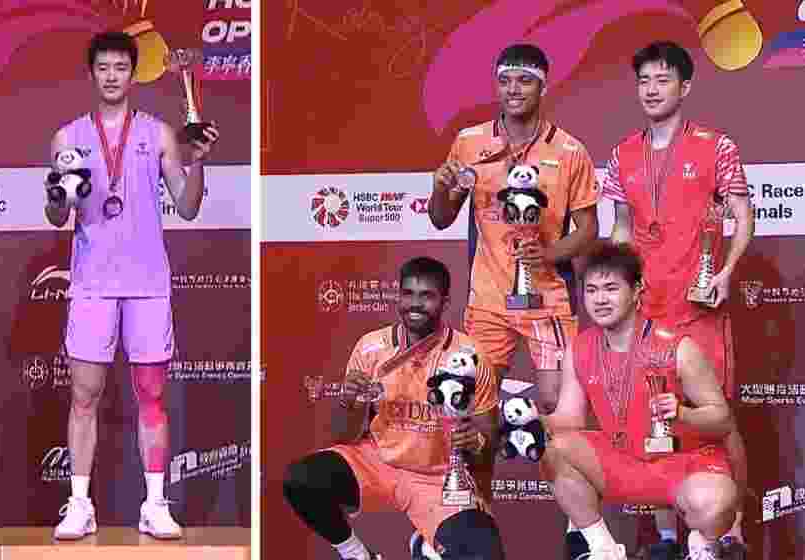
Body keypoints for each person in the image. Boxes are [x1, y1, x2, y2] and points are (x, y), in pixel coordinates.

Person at [45, 31, 219, 540]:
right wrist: (61, 192)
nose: (113, 75)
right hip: (92, 282)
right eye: (104, 67)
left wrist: (198, 160)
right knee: (84, 393)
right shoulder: (67, 138)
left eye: (122, 67)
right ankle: (79, 503)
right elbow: (57, 216)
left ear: (133, 73)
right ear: (92, 74)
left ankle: (155, 503)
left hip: (147, 282)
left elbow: (187, 206)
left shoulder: (161, 134)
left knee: (151, 394)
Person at [601, 41, 753, 558]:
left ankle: (729, 532)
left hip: (700, 305)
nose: (651, 89)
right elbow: (621, 230)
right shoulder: (621, 153)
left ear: (685, 86)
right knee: (653, 419)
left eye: (663, 80)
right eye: (644, 80)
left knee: (716, 418)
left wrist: (727, 271)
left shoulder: (718, 146)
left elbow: (742, 214)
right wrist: (618, 293)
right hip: (648, 310)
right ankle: (670, 536)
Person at [283, 257, 506, 560]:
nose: (415, 304)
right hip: (377, 462)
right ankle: (355, 554)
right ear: (398, 295)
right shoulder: (371, 347)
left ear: (444, 301)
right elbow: (342, 435)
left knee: (485, 554)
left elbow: (488, 438)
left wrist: (475, 443)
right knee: (302, 479)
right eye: (408, 293)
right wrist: (348, 401)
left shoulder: (469, 355)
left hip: (436, 476)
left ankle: (425, 546)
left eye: (426, 295)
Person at [536, 242, 742, 560]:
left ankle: (702, 543)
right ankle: (603, 548)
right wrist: (534, 421)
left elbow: (722, 419)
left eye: (610, 288)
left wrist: (682, 413)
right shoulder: (580, 347)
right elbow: (570, 420)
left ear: (636, 290)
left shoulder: (679, 347)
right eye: (591, 290)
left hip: (681, 464)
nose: (600, 299)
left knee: (716, 502)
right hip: (623, 463)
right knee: (555, 451)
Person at [429, 43, 599, 416]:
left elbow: (589, 230)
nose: (513, 89)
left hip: (549, 300)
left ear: (543, 87)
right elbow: (441, 218)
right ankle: (473, 477)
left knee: (560, 408)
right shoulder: (469, 142)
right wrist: (440, 188)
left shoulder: (570, 151)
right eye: (505, 81)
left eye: (524, 81)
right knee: (475, 407)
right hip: (488, 300)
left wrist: (549, 254)